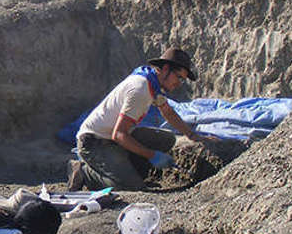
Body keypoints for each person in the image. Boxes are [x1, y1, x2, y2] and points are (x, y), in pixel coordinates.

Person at [73, 46, 214, 191]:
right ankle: (85, 173)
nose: (179, 84)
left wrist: (192, 135)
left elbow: (168, 112)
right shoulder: (141, 90)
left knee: (166, 140)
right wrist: (152, 155)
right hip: (94, 143)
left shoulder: (153, 83)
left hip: (112, 138)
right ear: (165, 69)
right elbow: (119, 134)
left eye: (182, 80)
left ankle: (131, 175)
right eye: (178, 77)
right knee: (130, 188)